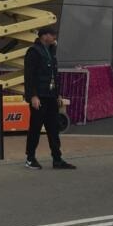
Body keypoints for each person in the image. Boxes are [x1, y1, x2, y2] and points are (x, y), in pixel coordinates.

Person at [23, 24, 75, 170]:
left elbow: (54, 75)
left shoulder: (51, 52)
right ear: (44, 36)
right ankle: (30, 158)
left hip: (51, 96)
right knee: (35, 127)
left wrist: (57, 94)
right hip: (39, 96)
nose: (54, 37)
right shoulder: (34, 52)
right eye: (52, 35)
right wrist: (33, 95)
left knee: (53, 128)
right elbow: (29, 76)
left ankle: (57, 158)